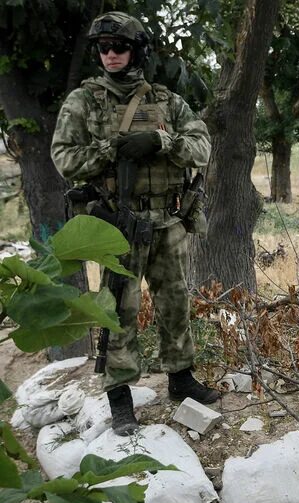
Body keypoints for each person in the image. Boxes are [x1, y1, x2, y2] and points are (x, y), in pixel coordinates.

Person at [51, 11, 220, 436]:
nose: (110, 55)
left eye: (119, 47)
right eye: (103, 48)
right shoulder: (84, 101)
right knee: (119, 310)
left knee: (175, 302)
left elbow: (201, 147)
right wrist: (111, 150)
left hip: (169, 218)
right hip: (120, 224)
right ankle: (120, 398)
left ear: (136, 50)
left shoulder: (166, 100)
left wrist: (163, 141)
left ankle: (181, 379)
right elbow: (64, 157)